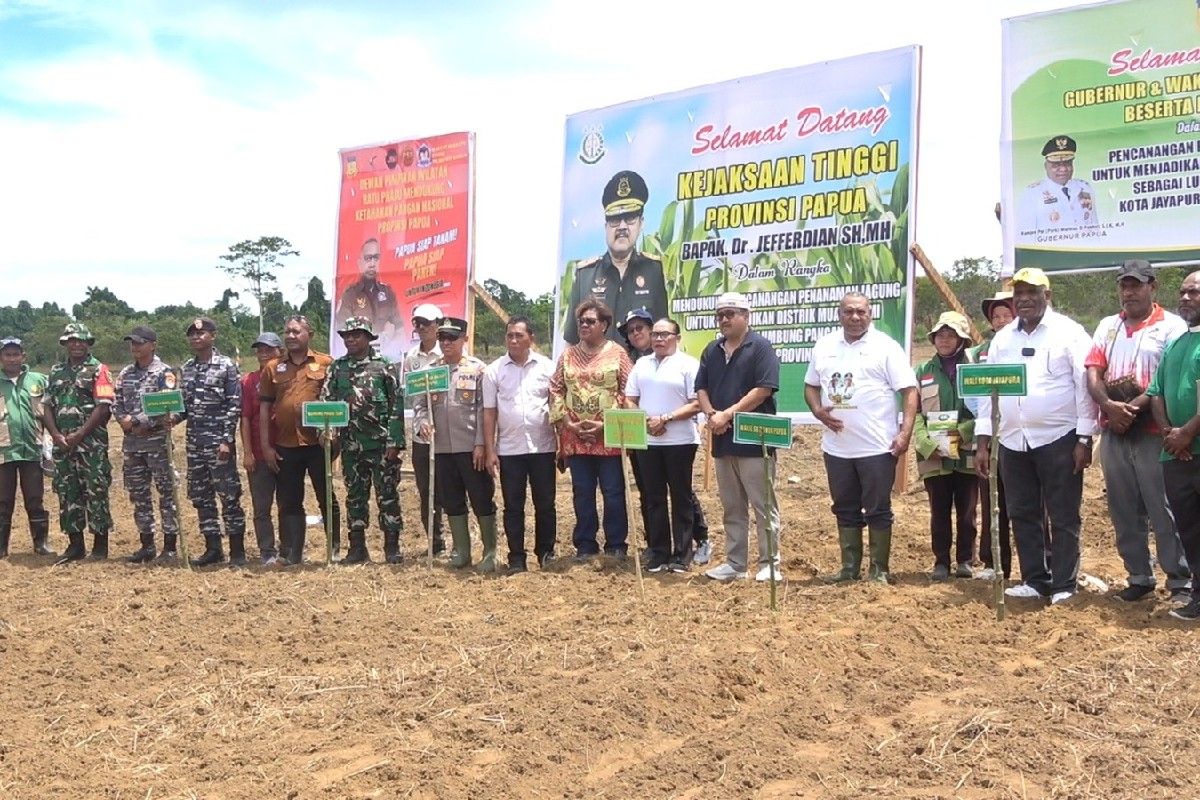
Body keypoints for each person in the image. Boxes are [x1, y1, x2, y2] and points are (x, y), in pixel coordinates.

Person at [975, 268, 1098, 605]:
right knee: (1022, 511)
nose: (1025, 299)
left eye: (1033, 292)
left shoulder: (1069, 334)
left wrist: (1085, 439)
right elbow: (990, 392)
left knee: (1063, 514)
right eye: (1019, 294)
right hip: (1013, 440)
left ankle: (1063, 584)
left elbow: (1084, 389)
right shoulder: (1003, 339)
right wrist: (984, 439)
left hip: (1059, 438)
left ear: (1048, 295)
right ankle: (1035, 579)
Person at [1087, 260, 1190, 603]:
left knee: (1162, 507)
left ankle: (1178, 579)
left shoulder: (1172, 326)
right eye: (1123, 285)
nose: (1128, 292)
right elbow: (1093, 371)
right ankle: (1139, 576)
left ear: (1152, 287)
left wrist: (1132, 408)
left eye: (1135, 285)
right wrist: (1109, 407)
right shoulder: (1107, 325)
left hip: (1150, 430)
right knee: (1123, 507)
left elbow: (1165, 378)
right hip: (1115, 430)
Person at [805, 292, 917, 584]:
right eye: (848, 312)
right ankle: (849, 568)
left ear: (871, 314)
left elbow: (909, 391)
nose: (855, 317)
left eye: (861, 312)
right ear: (839, 314)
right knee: (844, 507)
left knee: (878, 509)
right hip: (837, 448)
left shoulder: (886, 348)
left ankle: (879, 570)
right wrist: (817, 411)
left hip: (877, 447)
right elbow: (810, 386)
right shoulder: (825, 345)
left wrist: (905, 433)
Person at [698, 292, 784, 582]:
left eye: (730, 313)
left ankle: (769, 563)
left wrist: (727, 415)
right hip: (722, 441)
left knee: (763, 505)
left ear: (746, 316)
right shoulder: (712, 350)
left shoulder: (761, 347)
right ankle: (735, 564)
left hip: (755, 440)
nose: (724, 319)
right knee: (732, 506)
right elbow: (701, 388)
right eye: (720, 314)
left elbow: (763, 390)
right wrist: (712, 415)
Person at [620, 306, 712, 563]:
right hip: (648, 440)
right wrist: (646, 420)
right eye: (656, 335)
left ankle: (683, 555)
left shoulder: (689, 365)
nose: (659, 339)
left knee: (680, 496)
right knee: (653, 497)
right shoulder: (641, 364)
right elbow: (629, 398)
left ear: (677, 338)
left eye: (665, 334)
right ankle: (658, 553)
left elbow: (697, 403)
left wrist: (666, 419)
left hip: (680, 440)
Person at [550, 299, 633, 560]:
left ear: (604, 325)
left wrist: (606, 424)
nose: (584, 325)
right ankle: (585, 545)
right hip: (576, 437)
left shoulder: (617, 354)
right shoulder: (567, 355)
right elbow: (555, 389)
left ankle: (616, 545)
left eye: (590, 321)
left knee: (613, 491)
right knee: (582, 492)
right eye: (581, 321)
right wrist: (566, 422)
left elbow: (629, 392)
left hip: (608, 438)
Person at [413, 317, 498, 570]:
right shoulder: (431, 371)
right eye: (442, 338)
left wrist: (482, 444)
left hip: (471, 447)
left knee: (482, 498)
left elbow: (486, 409)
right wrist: (422, 423)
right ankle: (461, 551)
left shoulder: (478, 369)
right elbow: (420, 405)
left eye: (452, 337)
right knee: (451, 500)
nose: (447, 343)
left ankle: (491, 552)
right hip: (441, 449)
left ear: (465, 339)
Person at [258, 315, 341, 566]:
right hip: (286, 445)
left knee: (326, 496)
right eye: (287, 332)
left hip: (317, 444)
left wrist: (334, 441)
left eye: (296, 332)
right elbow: (264, 409)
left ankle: (333, 549)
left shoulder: (326, 363)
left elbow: (337, 403)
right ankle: (294, 551)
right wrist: (266, 447)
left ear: (309, 334)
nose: (291, 336)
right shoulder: (273, 368)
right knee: (289, 500)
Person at [323, 316, 405, 565]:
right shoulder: (337, 368)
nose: (350, 339)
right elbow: (327, 401)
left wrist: (394, 441)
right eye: (347, 335)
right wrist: (328, 434)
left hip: (380, 445)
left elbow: (396, 406)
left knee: (387, 495)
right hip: (350, 446)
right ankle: (357, 548)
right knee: (355, 496)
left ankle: (391, 547)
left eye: (356, 334)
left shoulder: (384, 367)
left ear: (369, 338)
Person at [482, 316, 557, 572]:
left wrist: (563, 444)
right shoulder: (494, 371)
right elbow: (489, 412)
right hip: (509, 450)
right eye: (510, 335)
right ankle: (516, 558)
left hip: (543, 447)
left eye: (519, 335)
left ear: (531, 338)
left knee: (545, 504)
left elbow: (556, 407)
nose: (513, 340)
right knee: (513, 506)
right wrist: (490, 450)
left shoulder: (548, 367)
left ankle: (546, 553)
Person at [562, 170, 668, 345]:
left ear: (641, 223)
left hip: (639, 370)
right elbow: (572, 340)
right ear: (605, 226)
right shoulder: (585, 275)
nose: (622, 227)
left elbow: (662, 334)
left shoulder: (653, 270)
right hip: (595, 370)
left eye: (630, 219)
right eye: (615, 220)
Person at [1148, 270, 1200, 621]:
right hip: (1175, 456)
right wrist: (1170, 433)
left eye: (1193, 292)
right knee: (1190, 530)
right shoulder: (1175, 344)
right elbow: (1156, 393)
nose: (1184, 298)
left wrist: (1187, 433)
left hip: (1194, 449)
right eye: (1182, 292)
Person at [912, 312, 977, 581]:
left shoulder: (974, 370)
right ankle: (941, 562)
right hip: (933, 454)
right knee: (938, 511)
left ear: (962, 339)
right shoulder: (922, 372)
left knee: (967, 511)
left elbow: (984, 410)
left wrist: (962, 433)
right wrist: (926, 442)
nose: (945, 340)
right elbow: (912, 412)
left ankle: (965, 560)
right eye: (941, 334)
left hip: (968, 451)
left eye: (951, 335)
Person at [43, 322, 114, 563]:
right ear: (65, 344)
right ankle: (75, 546)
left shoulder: (99, 370)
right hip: (63, 445)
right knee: (67, 492)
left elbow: (103, 407)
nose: (76, 344)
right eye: (71, 340)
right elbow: (47, 406)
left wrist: (81, 434)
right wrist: (55, 435)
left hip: (90, 444)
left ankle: (100, 547)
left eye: (81, 340)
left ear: (88, 343)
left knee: (96, 491)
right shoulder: (55, 372)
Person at [180, 317, 247, 567]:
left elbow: (234, 404)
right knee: (202, 496)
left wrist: (226, 440)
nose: (197, 338)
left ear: (213, 336)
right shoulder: (187, 368)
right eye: (193, 335)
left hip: (218, 443)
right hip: (195, 443)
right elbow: (184, 406)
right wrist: (169, 417)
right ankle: (213, 548)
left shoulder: (226, 366)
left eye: (202, 333)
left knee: (229, 495)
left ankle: (237, 551)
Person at [115, 326, 182, 564]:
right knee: (139, 496)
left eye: (140, 343)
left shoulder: (164, 373)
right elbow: (117, 403)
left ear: (153, 345)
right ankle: (147, 545)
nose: (135, 347)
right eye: (132, 343)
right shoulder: (125, 373)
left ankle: (170, 547)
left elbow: (167, 405)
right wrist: (126, 422)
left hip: (157, 444)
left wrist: (139, 420)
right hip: (132, 445)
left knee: (167, 495)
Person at [971, 290, 1015, 580]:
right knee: (991, 503)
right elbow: (974, 395)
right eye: (995, 316)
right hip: (990, 433)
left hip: (1020, 436)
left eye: (1005, 315)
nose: (1000, 320)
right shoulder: (978, 354)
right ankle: (993, 563)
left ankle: (1040, 566)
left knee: (1029, 506)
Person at [0, 337, 53, 559]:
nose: (12, 358)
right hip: (4, 450)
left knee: (34, 498)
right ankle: (2, 547)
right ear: (1, 358)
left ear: (24, 356)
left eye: (16, 354)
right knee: (3, 501)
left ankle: (40, 543)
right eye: (7, 354)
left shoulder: (39, 380)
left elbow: (51, 409)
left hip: (32, 447)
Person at [402, 303, 446, 555]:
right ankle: (435, 543)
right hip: (422, 433)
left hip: (449, 432)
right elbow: (414, 398)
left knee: (449, 487)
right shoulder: (411, 358)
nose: (421, 328)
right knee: (426, 490)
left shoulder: (448, 353)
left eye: (426, 323)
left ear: (438, 324)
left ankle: (458, 544)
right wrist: (422, 425)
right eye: (417, 323)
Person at [241, 331, 283, 564]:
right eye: (260, 349)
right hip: (258, 453)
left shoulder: (288, 378)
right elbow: (245, 418)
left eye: (269, 349)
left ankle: (289, 549)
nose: (264, 354)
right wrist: (247, 452)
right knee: (261, 507)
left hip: (286, 450)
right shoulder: (248, 381)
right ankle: (267, 551)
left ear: (280, 352)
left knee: (288, 504)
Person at [1018, 135, 1100, 232]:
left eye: (1067, 163)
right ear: (1046, 166)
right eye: (1056, 165)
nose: (1063, 169)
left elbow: (1094, 228)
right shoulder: (1033, 194)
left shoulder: (1084, 187)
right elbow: (1026, 235)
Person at [335, 238, 401, 346]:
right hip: (359, 357)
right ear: (359, 263)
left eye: (376, 258)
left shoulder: (388, 294)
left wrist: (390, 344)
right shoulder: (350, 295)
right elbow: (342, 333)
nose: (372, 264)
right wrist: (382, 338)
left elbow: (400, 330)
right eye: (368, 258)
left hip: (385, 357)